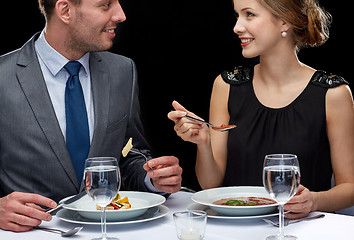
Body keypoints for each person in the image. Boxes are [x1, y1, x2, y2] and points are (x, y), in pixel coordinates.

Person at [0, 0, 182, 232]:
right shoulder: (2, 77)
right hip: (32, 234)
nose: (121, 15)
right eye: (106, 5)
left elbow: (129, 155)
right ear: (65, 10)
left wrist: (153, 179)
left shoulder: (123, 71)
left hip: (110, 231)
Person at [168, 0, 354, 219]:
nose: (237, 27)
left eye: (249, 15)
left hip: (300, 230)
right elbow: (211, 185)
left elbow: (350, 187)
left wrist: (313, 201)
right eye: (237, 15)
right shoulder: (227, 85)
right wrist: (204, 143)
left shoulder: (332, 93)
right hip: (235, 228)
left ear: (285, 21)